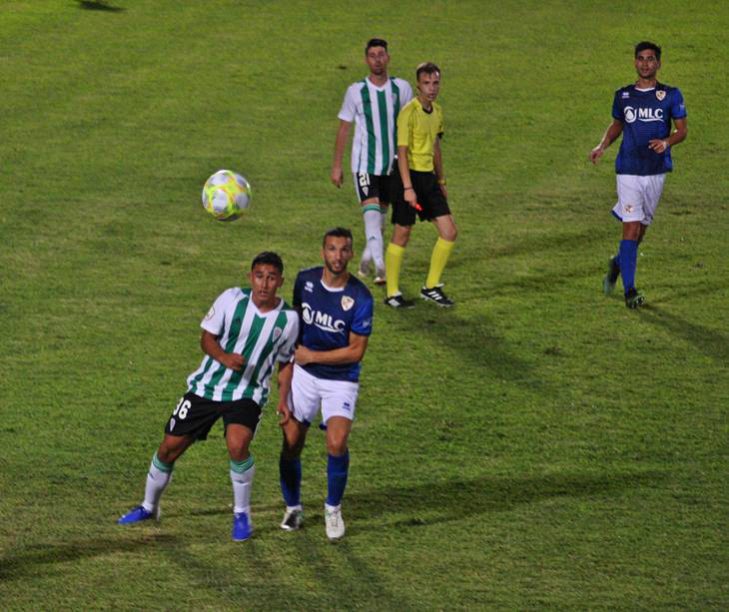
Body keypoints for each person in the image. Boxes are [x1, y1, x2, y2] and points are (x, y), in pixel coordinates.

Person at [117, 252, 299, 542]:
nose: (264, 283)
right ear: (251, 276)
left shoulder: (289, 319)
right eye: (259, 276)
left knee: (237, 445)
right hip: (206, 388)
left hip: (247, 393)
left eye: (271, 277)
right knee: (168, 448)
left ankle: (242, 514)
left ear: (280, 281)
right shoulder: (230, 299)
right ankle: (148, 506)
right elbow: (206, 338)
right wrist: (224, 358)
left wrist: (283, 399)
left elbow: (286, 361)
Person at [278, 228, 373, 541]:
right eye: (332, 249)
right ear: (323, 252)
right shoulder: (304, 282)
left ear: (350, 253)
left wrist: (312, 356)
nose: (338, 256)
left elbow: (356, 351)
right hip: (303, 376)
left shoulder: (360, 297)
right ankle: (293, 507)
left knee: (336, 442)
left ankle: (333, 509)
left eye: (344, 250)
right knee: (291, 442)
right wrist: (286, 377)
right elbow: (293, 332)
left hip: (340, 380)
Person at [590, 41, 687, 308]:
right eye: (641, 59)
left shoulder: (671, 95)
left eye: (651, 59)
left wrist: (667, 142)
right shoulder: (623, 96)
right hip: (628, 170)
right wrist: (602, 146)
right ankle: (630, 290)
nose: (645, 63)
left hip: (655, 171)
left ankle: (617, 263)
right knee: (630, 228)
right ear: (635, 62)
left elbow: (682, 131)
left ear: (658, 64)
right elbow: (617, 124)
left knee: (640, 232)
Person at [331, 38, 413, 286]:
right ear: (366, 60)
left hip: (392, 166)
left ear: (388, 57)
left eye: (381, 55)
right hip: (364, 166)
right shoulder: (355, 91)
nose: (377, 59)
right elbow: (344, 128)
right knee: (371, 218)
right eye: (372, 55)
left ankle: (367, 262)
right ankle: (382, 269)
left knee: (379, 222)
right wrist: (337, 165)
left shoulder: (402, 88)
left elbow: (409, 124)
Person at [384, 62, 457, 308]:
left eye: (435, 83)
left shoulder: (437, 112)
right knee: (402, 232)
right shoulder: (409, 112)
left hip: (428, 179)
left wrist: (441, 179)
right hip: (408, 177)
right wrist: (407, 188)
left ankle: (431, 287)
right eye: (427, 83)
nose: (432, 88)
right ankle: (392, 293)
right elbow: (402, 152)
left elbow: (436, 147)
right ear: (418, 85)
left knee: (449, 231)